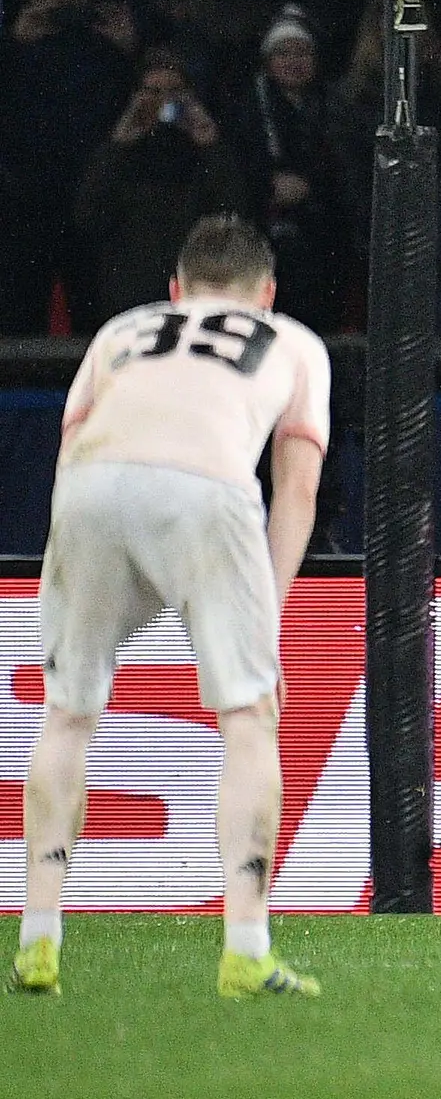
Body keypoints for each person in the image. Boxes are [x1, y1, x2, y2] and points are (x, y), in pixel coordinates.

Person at [16, 216, 331, 1000]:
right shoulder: (290, 341)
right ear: (266, 292)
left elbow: (68, 451)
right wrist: (272, 617)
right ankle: (246, 948)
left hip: (89, 489)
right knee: (249, 717)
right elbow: (296, 487)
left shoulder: (122, 330)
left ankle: (38, 940)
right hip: (206, 486)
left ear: (174, 291)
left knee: (68, 714)